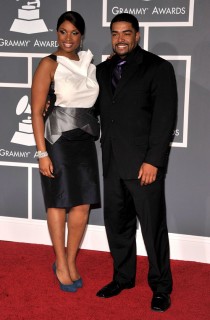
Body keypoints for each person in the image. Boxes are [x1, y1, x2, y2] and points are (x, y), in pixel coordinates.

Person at [95, 13, 177, 312]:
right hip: (112, 162)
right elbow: (94, 110)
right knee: (117, 226)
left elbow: (165, 118)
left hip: (144, 165)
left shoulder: (157, 68)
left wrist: (153, 161)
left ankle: (161, 287)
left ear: (137, 35)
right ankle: (123, 277)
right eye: (115, 33)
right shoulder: (101, 71)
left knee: (153, 228)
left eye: (126, 33)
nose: (120, 39)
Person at [31, 11, 100, 293]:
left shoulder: (89, 63)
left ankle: (71, 261)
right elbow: (36, 112)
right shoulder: (48, 63)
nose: (68, 38)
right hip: (57, 141)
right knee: (58, 202)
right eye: (62, 31)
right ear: (56, 33)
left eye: (74, 32)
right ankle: (60, 263)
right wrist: (42, 153)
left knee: (82, 204)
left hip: (84, 142)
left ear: (81, 35)